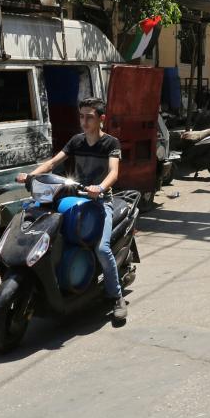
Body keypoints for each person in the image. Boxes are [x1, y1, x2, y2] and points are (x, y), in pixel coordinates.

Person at [19, 97, 128, 325]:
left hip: (99, 202)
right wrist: (31, 175)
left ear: (101, 119)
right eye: (81, 116)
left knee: (102, 248)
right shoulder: (76, 141)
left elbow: (113, 172)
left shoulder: (111, 143)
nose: (84, 121)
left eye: (90, 117)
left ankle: (116, 297)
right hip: (73, 198)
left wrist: (100, 188)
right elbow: (52, 163)